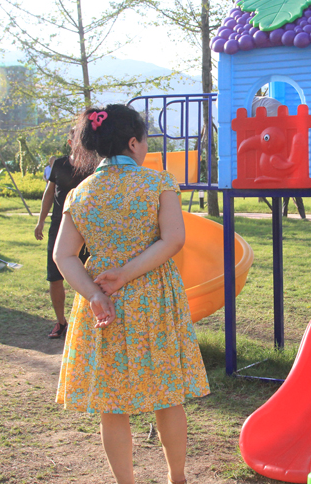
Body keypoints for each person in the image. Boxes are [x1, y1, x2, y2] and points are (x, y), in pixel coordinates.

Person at [54, 104, 209, 484]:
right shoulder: (158, 183)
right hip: (154, 297)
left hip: (103, 304)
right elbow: (173, 240)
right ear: (134, 142)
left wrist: (93, 294)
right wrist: (125, 274)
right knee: (167, 394)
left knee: (111, 403)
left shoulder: (80, 193)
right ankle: (177, 478)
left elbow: (63, 255)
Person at [34, 132, 91, 339]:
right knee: (54, 276)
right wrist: (40, 220)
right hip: (59, 227)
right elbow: (49, 193)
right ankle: (61, 322)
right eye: (79, 139)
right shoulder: (59, 164)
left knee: (88, 275)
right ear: (70, 142)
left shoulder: (94, 165)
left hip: (87, 229)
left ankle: (87, 322)